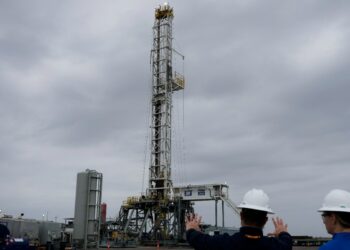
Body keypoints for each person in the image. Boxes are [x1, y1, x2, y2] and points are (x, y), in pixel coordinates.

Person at [186, 188, 292, 250]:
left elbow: (196, 240)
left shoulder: (222, 243)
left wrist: (192, 229)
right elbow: (287, 242)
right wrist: (282, 232)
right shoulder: (277, 247)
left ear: (241, 216)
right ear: (265, 220)